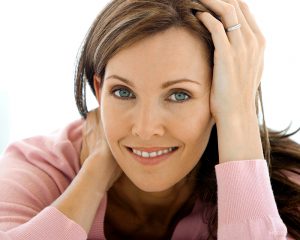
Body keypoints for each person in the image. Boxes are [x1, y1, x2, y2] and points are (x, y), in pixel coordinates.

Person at [0, 0, 299, 239]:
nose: (145, 129)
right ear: (99, 89)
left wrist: (238, 116)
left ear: (221, 97)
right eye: (122, 92)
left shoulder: (285, 183)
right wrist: (93, 177)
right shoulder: (38, 167)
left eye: (179, 95)